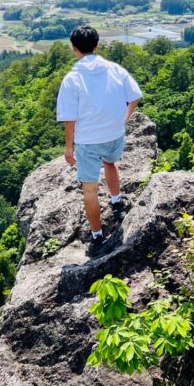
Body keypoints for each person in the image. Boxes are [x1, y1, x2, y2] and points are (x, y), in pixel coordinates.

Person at [56, 25, 143, 257]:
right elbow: (135, 96)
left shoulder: (72, 78)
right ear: (97, 45)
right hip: (114, 134)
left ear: (74, 49)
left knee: (90, 190)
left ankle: (97, 238)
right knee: (110, 164)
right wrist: (123, 120)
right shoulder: (114, 69)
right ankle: (117, 202)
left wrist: (68, 146)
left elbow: (69, 117)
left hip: (88, 141)